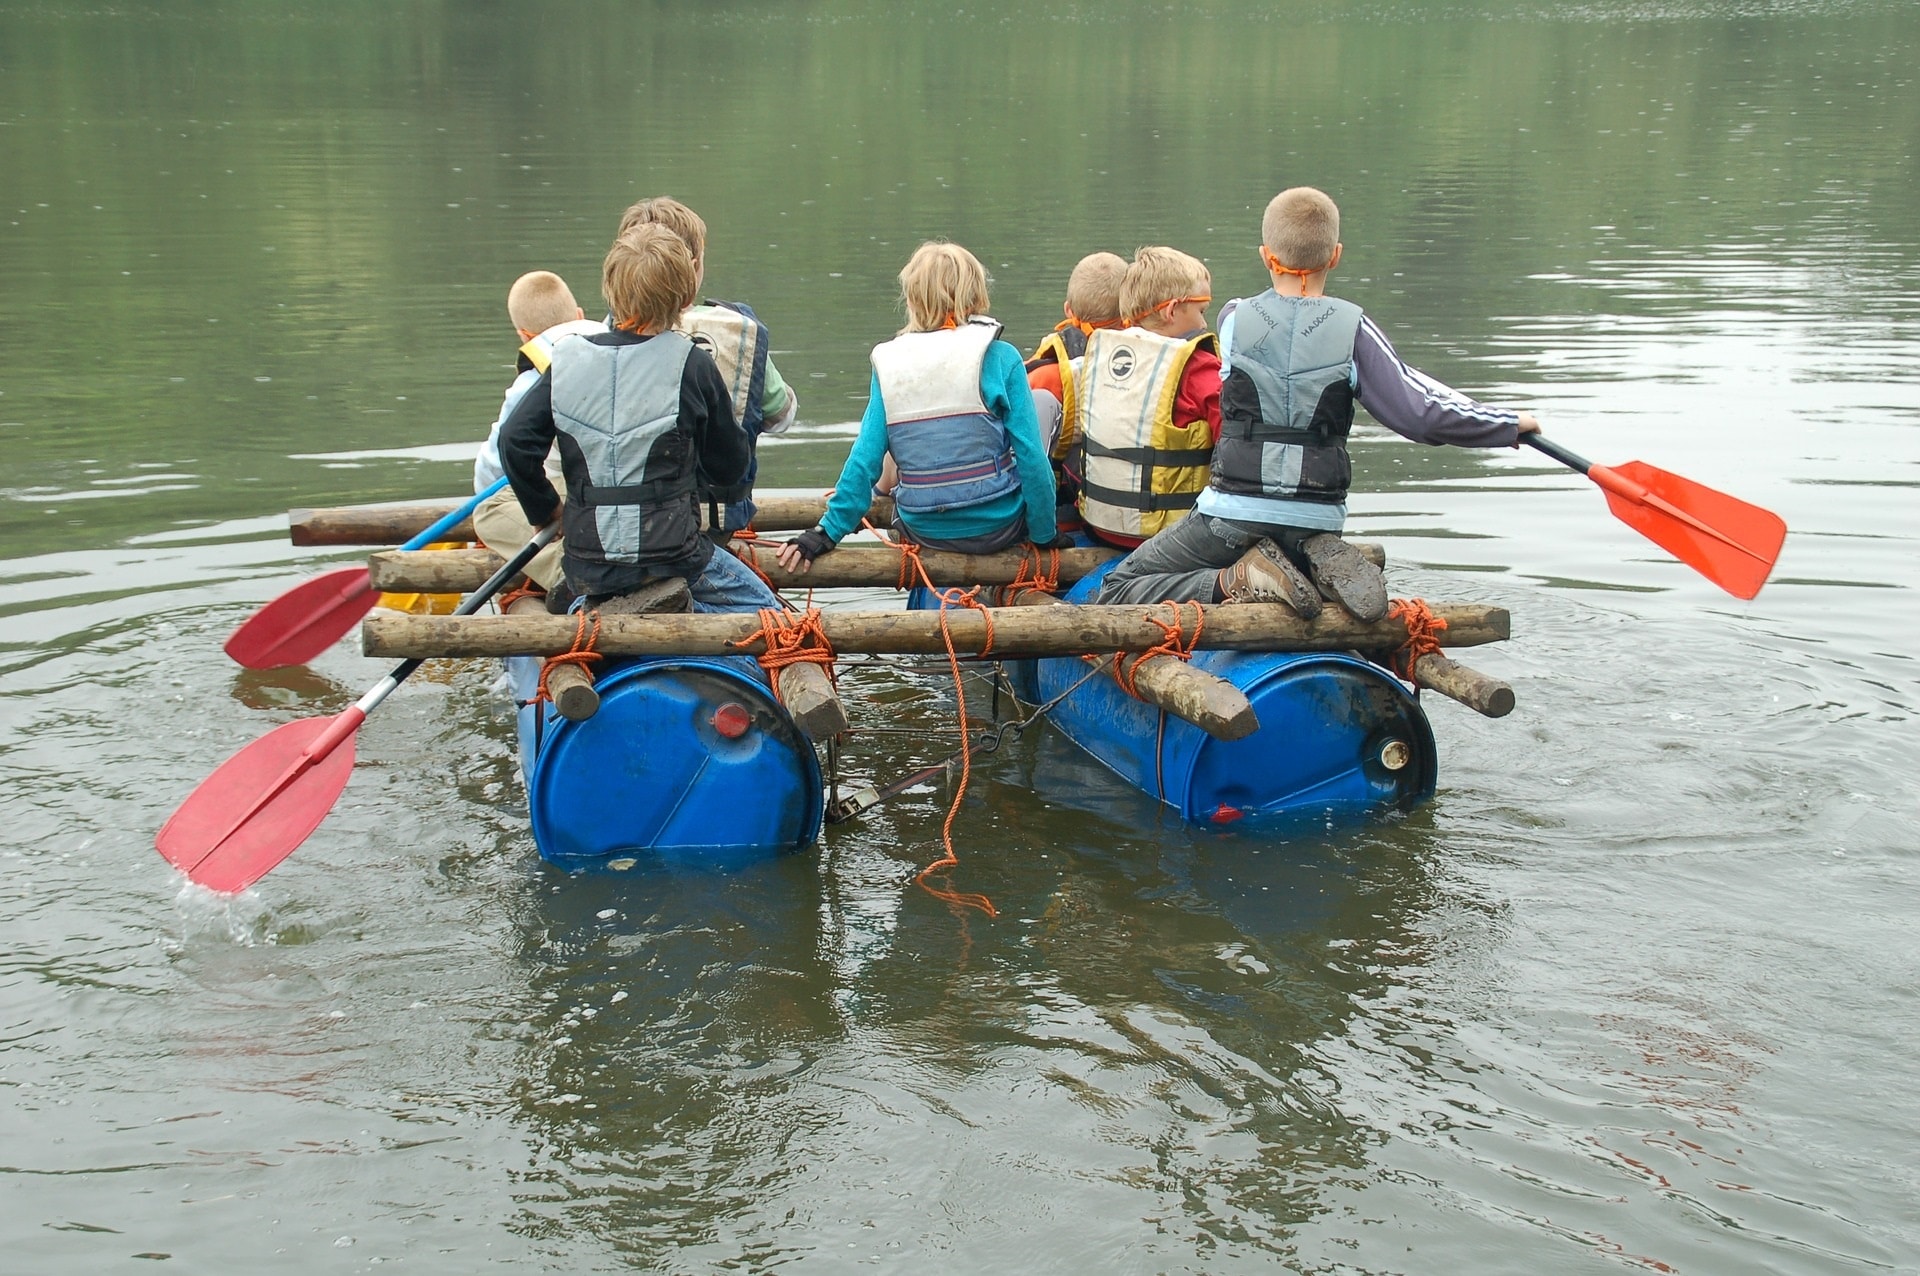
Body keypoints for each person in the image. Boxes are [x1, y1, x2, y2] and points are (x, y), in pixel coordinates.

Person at [1095, 186, 1542, 620]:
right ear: (1336, 256)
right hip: (1317, 515)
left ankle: (1236, 580)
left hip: (1233, 516)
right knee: (1300, 530)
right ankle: (1313, 556)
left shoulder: (1233, 319)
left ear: (1266, 256)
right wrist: (1505, 424)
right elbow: (1418, 413)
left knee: (1117, 587)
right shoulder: (1355, 328)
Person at [497, 225, 782, 614]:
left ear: (610, 291)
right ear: (685, 297)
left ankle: (600, 609)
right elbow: (730, 467)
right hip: (677, 556)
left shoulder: (565, 360)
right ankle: (678, 611)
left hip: (588, 561)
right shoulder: (692, 363)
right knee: (773, 616)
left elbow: (513, 443)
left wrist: (545, 509)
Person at [777, 241, 1059, 574]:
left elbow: (865, 458)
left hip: (924, 530)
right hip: (999, 529)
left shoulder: (890, 362)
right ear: (977, 296)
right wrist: (1044, 535)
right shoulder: (1002, 357)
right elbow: (1031, 457)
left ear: (912, 299)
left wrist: (826, 532)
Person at [616, 196, 799, 540]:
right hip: (715, 519)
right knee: (755, 598)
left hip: (626, 523)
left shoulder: (601, 338)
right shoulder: (737, 330)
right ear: (695, 265)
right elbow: (782, 415)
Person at [1066, 246, 1222, 551]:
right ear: (1171, 310)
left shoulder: (1099, 355)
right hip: (1166, 534)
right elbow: (1234, 441)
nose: (1204, 324)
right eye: (1201, 311)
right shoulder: (1196, 366)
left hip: (1100, 526)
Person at [470, 270, 606, 595]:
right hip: (634, 492)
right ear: (579, 315)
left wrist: (538, 506)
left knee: (486, 510)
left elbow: (493, 472)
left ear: (524, 335)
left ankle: (569, 570)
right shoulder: (619, 342)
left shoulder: (531, 381)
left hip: (578, 496)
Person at [1025, 251, 1127, 527]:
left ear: (1068, 310)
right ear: (1131, 310)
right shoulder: (1148, 367)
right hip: (1129, 504)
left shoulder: (1044, 375)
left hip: (1066, 507)